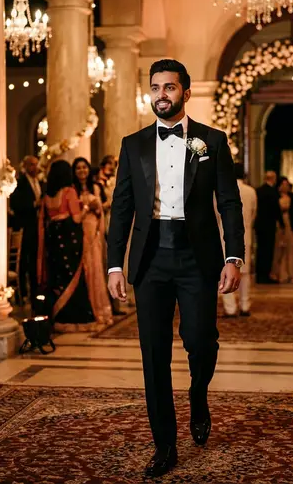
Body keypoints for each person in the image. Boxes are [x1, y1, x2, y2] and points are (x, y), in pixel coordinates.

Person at [106, 59, 244, 478]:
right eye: (155, 87)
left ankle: (198, 394)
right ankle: (165, 445)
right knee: (153, 355)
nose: (161, 94)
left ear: (186, 91)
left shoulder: (212, 141)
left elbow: (229, 202)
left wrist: (233, 256)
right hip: (150, 259)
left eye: (169, 87)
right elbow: (122, 208)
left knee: (200, 340)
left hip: (196, 256)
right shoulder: (132, 144)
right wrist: (114, 265)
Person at [37, 160, 104, 332]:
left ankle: (57, 319)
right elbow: (76, 218)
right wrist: (87, 207)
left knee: (57, 278)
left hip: (53, 240)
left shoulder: (47, 196)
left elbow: (46, 220)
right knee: (73, 277)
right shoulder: (69, 192)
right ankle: (75, 321)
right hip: (68, 239)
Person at [72, 157, 115, 325]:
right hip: (79, 231)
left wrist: (99, 229)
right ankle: (86, 308)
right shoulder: (72, 190)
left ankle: (100, 308)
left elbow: (100, 213)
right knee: (83, 269)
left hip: (94, 231)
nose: (82, 171)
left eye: (84, 167)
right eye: (78, 168)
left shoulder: (95, 187)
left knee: (96, 268)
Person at [221, 163, 257, 317]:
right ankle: (245, 305)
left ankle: (230, 308)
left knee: (225, 270)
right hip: (246, 234)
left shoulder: (222, 190)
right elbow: (254, 213)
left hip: (224, 234)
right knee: (245, 272)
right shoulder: (251, 191)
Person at [10, 155, 44, 304]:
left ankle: (36, 291)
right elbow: (15, 204)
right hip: (25, 226)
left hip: (38, 226)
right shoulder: (20, 183)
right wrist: (34, 204)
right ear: (25, 166)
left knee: (36, 260)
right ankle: (22, 293)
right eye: (31, 164)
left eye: (36, 164)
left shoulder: (40, 182)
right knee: (24, 260)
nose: (35, 167)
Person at [255, 170, 283, 283]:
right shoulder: (273, 192)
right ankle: (265, 275)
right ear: (273, 179)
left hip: (259, 225)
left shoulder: (258, 191)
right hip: (269, 225)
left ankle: (259, 274)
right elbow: (276, 209)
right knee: (268, 250)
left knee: (260, 249)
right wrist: (282, 223)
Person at [270, 177, 293, 283]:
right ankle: (280, 273)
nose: (285, 186)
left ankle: (292, 273)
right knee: (279, 249)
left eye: (286, 184)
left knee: (291, 248)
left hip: (290, 223)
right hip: (280, 223)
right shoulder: (275, 197)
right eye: (283, 184)